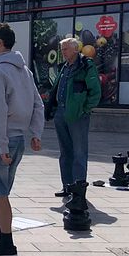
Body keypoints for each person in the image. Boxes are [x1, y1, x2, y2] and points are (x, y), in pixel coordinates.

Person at [0, 22, 44, 256]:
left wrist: (1, 145)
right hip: (19, 140)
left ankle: (5, 244)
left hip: (1, 141)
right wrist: (36, 133)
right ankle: (4, 240)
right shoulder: (24, 71)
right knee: (3, 193)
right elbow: (39, 104)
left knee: (0, 194)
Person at [44, 37, 101, 197]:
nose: (63, 52)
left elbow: (95, 92)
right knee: (65, 152)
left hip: (77, 115)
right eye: (62, 49)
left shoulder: (86, 66)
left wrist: (84, 109)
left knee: (79, 152)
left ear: (76, 49)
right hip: (61, 113)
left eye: (66, 49)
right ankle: (67, 185)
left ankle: (79, 187)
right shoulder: (65, 67)